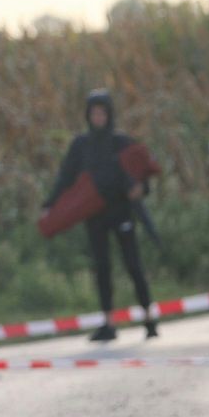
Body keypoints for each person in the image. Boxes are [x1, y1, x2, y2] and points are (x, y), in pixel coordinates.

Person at [41, 90, 156, 342]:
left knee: (133, 264)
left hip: (122, 211)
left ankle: (149, 317)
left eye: (102, 113)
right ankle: (108, 322)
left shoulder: (121, 142)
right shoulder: (81, 146)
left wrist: (140, 189)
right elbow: (66, 179)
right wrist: (50, 206)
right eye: (94, 113)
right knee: (102, 267)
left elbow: (142, 171)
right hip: (95, 215)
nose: (98, 118)